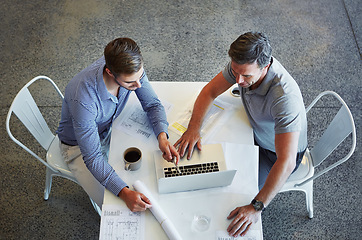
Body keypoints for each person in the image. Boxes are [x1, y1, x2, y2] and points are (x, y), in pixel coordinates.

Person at [174, 32, 307, 237]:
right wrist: (193, 128)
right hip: (256, 132)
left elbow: (286, 161)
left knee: (231, 202)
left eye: (246, 76)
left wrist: (256, 207)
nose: (238, 80)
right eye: (235, 72)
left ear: (266, 66)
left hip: (274, 154)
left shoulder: (285, 98)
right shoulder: (243, 66)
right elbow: (210, 91)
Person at [57, 37, 179, 213]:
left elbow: (153, 104)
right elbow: (92, 158)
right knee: (114, 206)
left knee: (148, 176)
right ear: (110, 73)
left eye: (140, 76)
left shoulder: (128, 67)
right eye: (131, 82)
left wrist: (162, 137)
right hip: (77, 147)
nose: (139, 85)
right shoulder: (83, 98)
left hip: (109, 127)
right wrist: (124, 193)